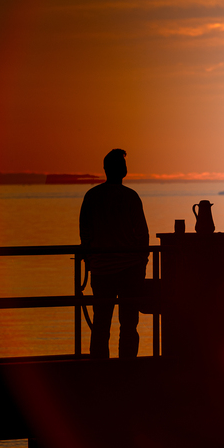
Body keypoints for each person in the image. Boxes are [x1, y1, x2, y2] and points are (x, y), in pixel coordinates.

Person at [79, 149, 150, 358]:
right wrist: (141, 262)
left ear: (105, 169)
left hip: (101, 270)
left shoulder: (92, 196)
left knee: (101, 322)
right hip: (130, 270)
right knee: (129, 323)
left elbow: (85, 233)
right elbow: (143, 235)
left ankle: (99, 369)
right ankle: (126, 368)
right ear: (123, 170)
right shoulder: (131, 197)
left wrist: (92, 259)